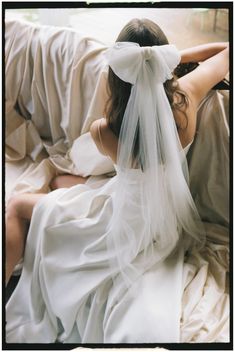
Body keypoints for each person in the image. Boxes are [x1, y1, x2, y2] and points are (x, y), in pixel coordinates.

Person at [5, 18, 229, 343]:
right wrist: (165, 66)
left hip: (121, 220)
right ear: (164, 58)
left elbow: (90, 164)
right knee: (60, 184)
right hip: (166, 221)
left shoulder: (104, 129)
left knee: (18, 204)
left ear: (118, 73)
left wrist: (150, 68)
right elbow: (226, 50)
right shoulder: (186, 100)